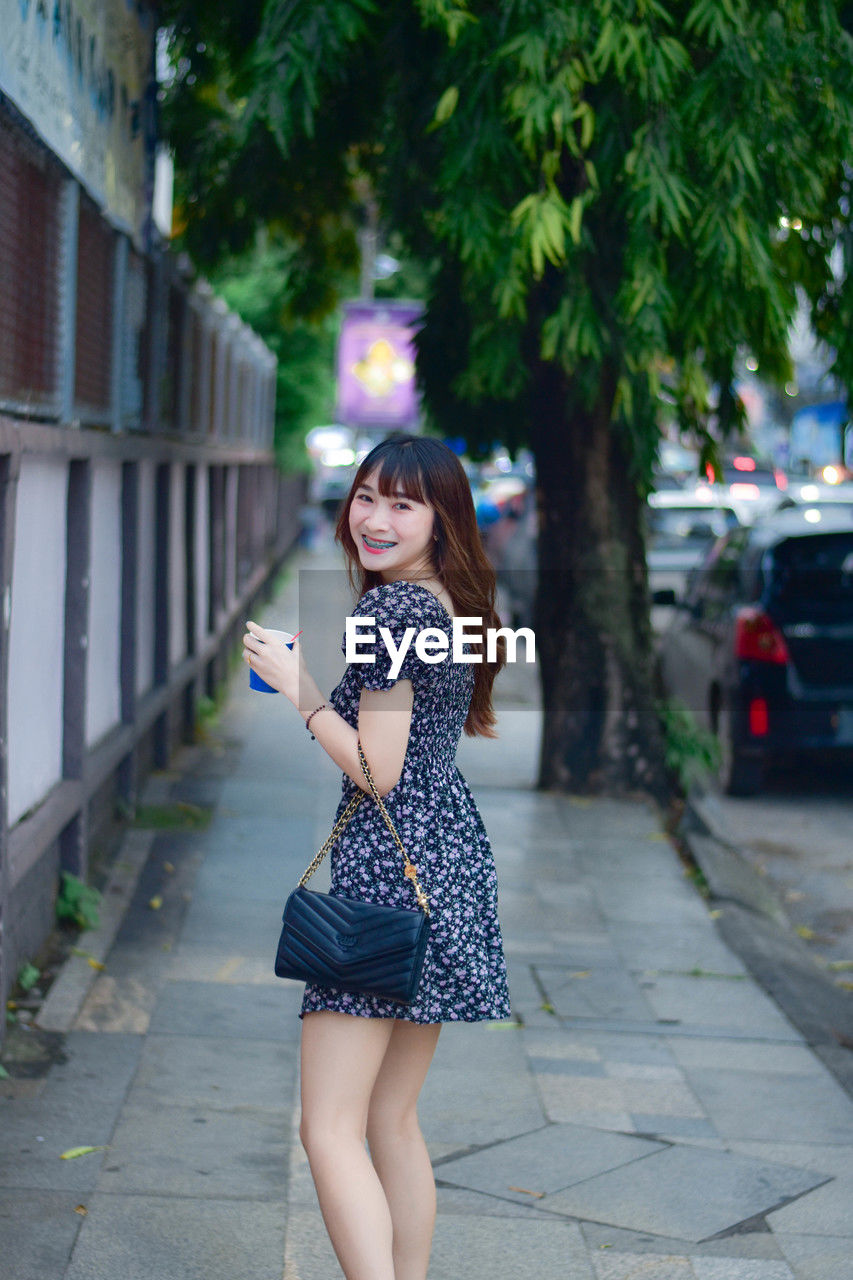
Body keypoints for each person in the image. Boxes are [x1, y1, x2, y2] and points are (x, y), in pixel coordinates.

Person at [242, 435, 511, 1280]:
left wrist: (300, 690)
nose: (375, 518)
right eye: (366, 497)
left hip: (388, 875)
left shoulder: (397, 612)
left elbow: (375, 770)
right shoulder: (441, 601)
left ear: (442, 519)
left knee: (327, 1126)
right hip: (445, 862)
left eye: (403, 504)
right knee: (390, 1120)